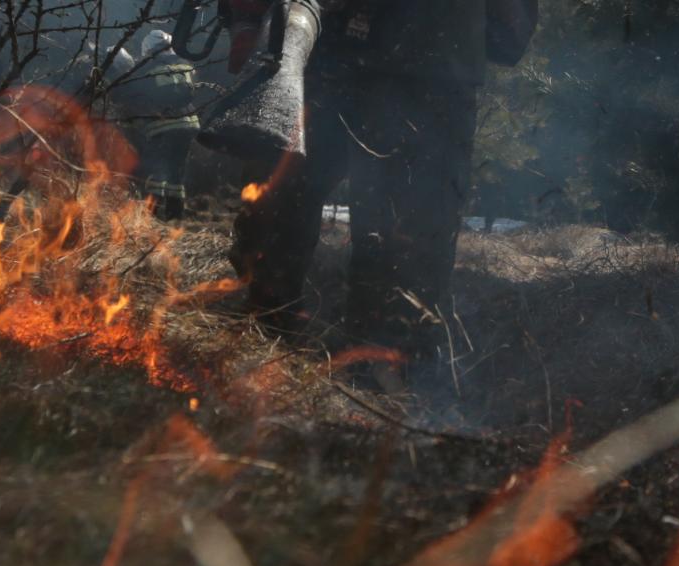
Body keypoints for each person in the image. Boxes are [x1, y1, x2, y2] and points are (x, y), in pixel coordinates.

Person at [227, 0, 537, 402]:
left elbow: (508, 37)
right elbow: (507, 37)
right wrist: (247, 19)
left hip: (418, 64)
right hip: (330, 54)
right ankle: (266, 353)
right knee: (276, 223)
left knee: (403, 253)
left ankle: (383, 387)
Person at [102, 29, 210, 220]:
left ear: (149, 50)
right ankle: (175, 214)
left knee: (156, 169)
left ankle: (153, 214)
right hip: (190, 125)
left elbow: (127, 93)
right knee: (176, 170)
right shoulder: (185, 65)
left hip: (164, 126)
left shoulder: (147, 70)